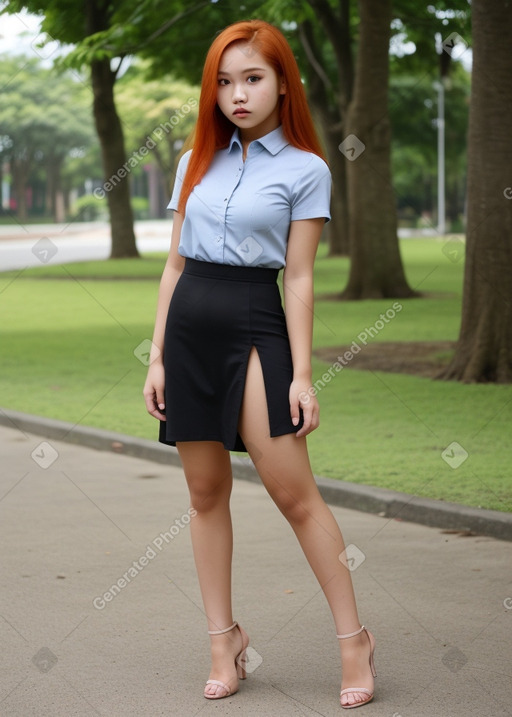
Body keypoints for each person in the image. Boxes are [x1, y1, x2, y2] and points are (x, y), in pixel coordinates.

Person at [143, 19, 376, 710]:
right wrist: (156, 355)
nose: (237, 94)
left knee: (293, 494)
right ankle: (224, 641)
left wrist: (302, 374)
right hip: (187, 329)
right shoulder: (194, 163)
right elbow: (175, 263)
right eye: (224, 81)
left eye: (252, 79)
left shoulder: (307, 169)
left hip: (254, 325)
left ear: (282, 84)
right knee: (204, 493)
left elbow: (298, 278)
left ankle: (354, 639)